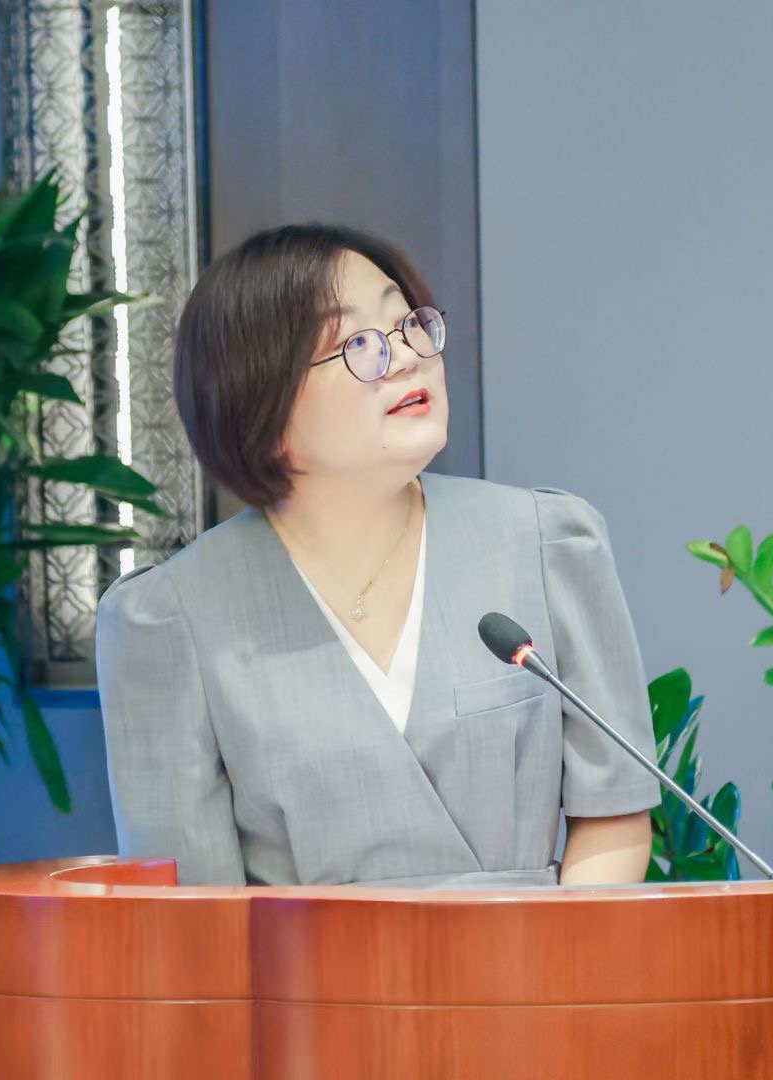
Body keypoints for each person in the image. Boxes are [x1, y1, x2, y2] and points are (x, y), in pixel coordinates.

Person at [95, 223, 660, 888]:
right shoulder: (170, 619)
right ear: (259, 401)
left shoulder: (545, 542)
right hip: (307, 960)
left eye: (408, 324)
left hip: (537, 950)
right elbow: (194, 914)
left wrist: (550, 949)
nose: (408, 356)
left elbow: (614, 813)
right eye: (357, 344)